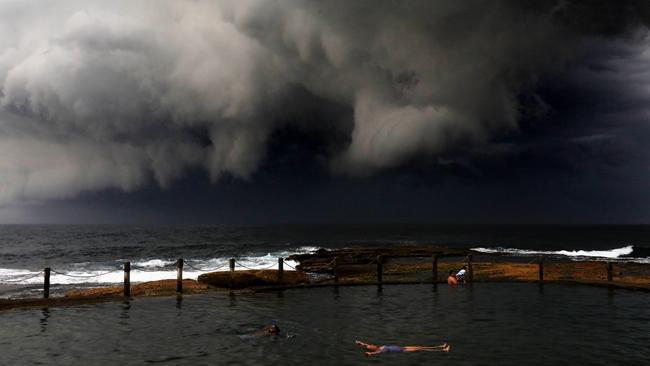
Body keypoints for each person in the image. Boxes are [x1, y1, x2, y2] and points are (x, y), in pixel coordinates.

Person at [355, 340, 450, 356]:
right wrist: (371, 354)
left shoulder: (379, 347)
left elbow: (366, 345)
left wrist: (360, 343)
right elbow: (377, 353)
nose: (371, 344)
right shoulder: (380, 350)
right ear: (372, 349)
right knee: (420, 349)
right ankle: (443, 350)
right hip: (403, 350)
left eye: (371, 345)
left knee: (420, 346)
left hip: (402, 347)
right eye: (371, 346)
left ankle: (441, 346)